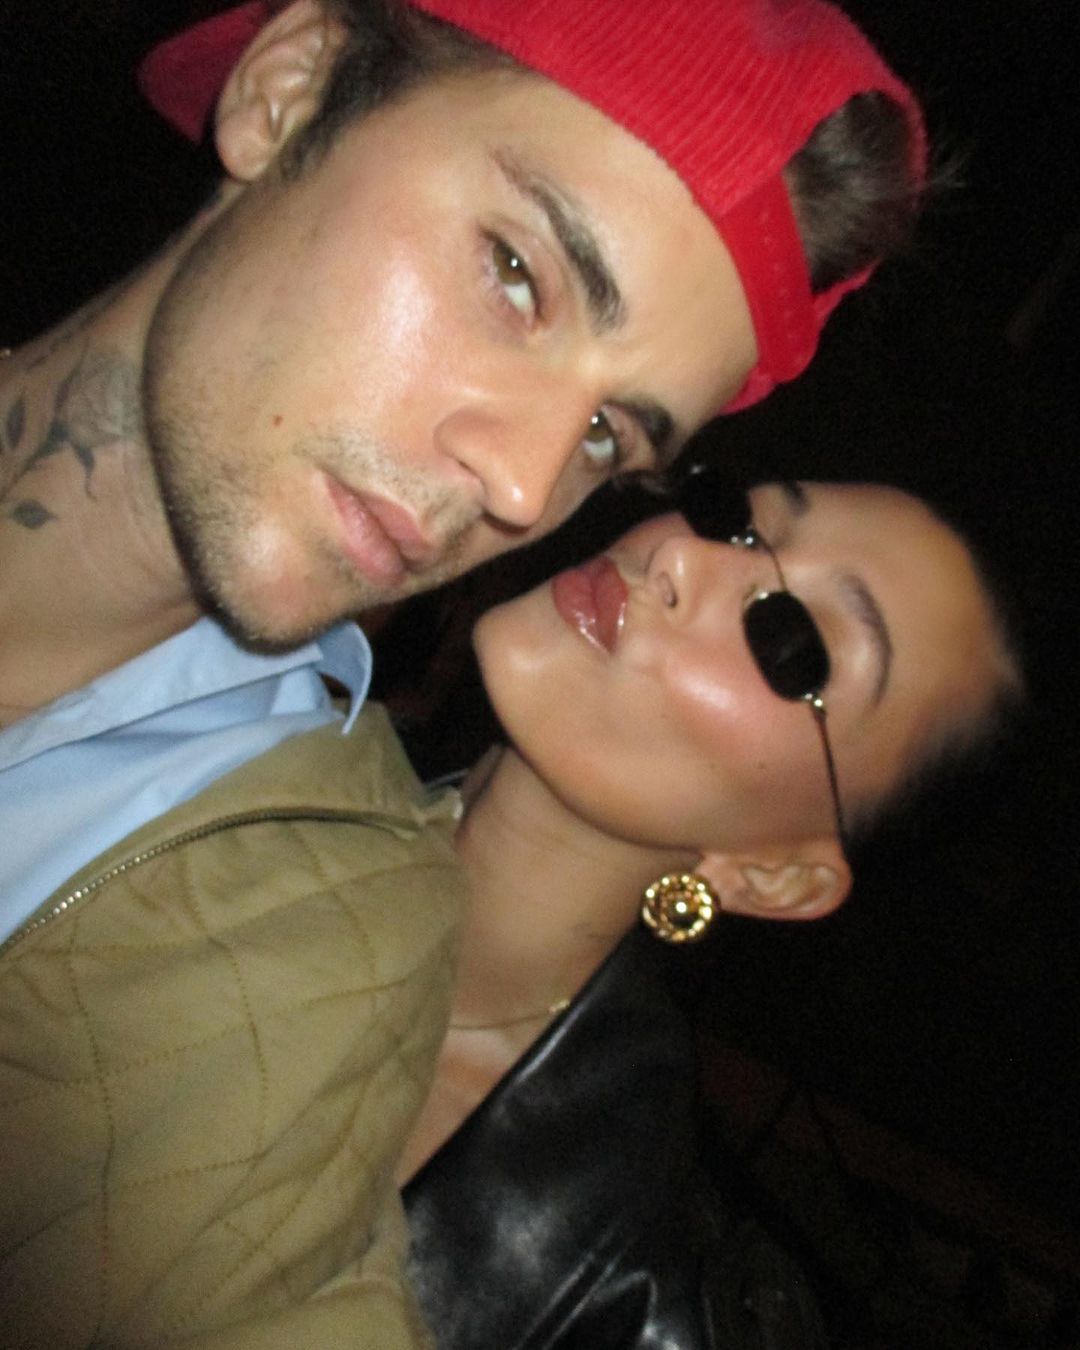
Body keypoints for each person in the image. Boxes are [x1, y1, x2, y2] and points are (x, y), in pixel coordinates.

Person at [1, 0, 928, 1343]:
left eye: (608, 437)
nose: (524, 484)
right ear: (288, 89)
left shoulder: (310, 952)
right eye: (518, 274)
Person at [394, 467, 1022, 1347]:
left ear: (775, 875)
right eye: (738, 520)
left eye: (797, 642)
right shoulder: (248, 737)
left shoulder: (622, 1307)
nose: (682, 557)